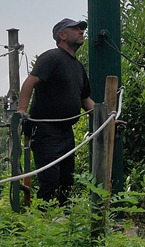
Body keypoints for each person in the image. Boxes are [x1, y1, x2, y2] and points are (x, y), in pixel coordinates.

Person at [18, 18, 95, 203]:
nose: (81, 31)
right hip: (46, 130)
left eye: (81, 28)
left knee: (66, 182)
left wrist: (108, 120)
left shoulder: (77, 66)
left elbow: (86, 100)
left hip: (66, 132)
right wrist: (21, 110)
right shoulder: (51, 57)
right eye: (75, 29)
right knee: (49, 182)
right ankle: (43, 222)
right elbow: (30, 82)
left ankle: (63, 223)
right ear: (62, 35)